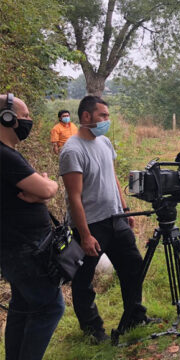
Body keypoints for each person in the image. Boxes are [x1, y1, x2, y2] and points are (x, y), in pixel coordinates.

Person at [60, 95, 155, 343]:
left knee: (133, 266)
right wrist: (86, 235)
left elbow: (111, 176)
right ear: (86, 117)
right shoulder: (72, 150)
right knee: (83, 280)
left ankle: (135, 315)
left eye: (108, 116)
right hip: (90, 225)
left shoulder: (104, 142)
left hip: (115, 219)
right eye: (102, 115)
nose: (106, 120)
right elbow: (74, 197)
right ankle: (93, 330)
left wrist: (124, 209)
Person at [0, 93, 65, 359]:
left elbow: (39, 190)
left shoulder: (9, 155)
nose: (29, 121)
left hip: (16, 248)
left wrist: (40, 189)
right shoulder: (5, 156)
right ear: (7, 117)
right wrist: (45, 187)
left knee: (23, 306)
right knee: (50, 308)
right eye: (25, 116)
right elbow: (47, 188)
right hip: (25, 249)